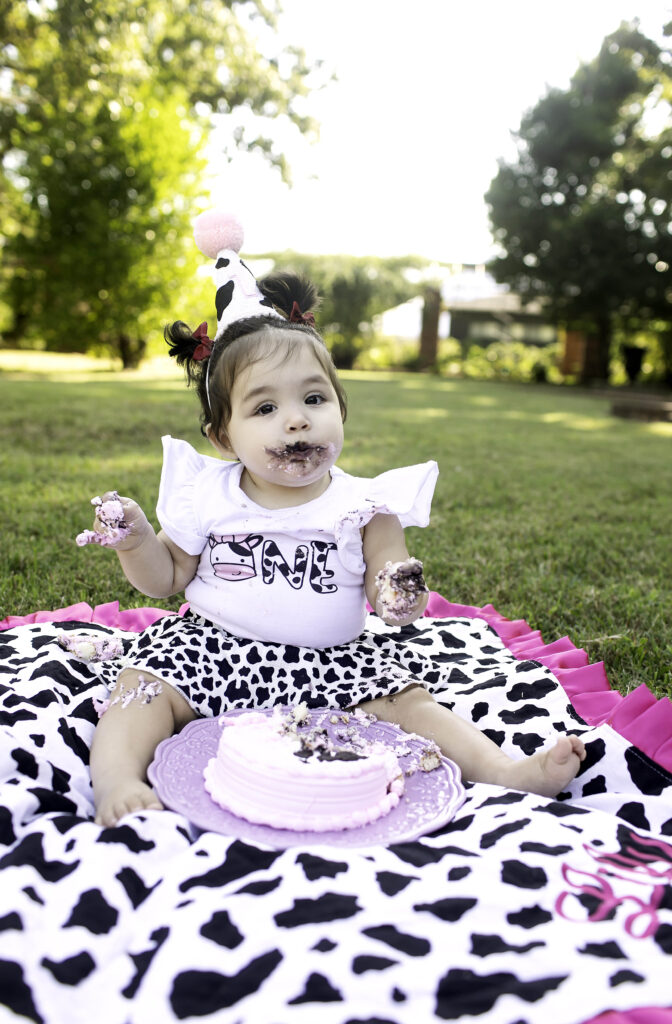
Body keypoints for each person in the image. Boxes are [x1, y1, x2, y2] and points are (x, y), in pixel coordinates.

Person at [86, 210, 585, 827]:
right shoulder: (207, 494)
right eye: (265, 407)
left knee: (413, 705)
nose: (296, 420)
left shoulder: (364, 504)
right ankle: (116, 779)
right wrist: (134, 539)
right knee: (141, 687)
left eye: (314, 399)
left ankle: (507, 771)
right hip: (212, 648)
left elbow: (388, 579)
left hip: (334, 662)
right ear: (222, 436)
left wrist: (399, 594)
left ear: (340, 409)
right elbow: (165, 579)